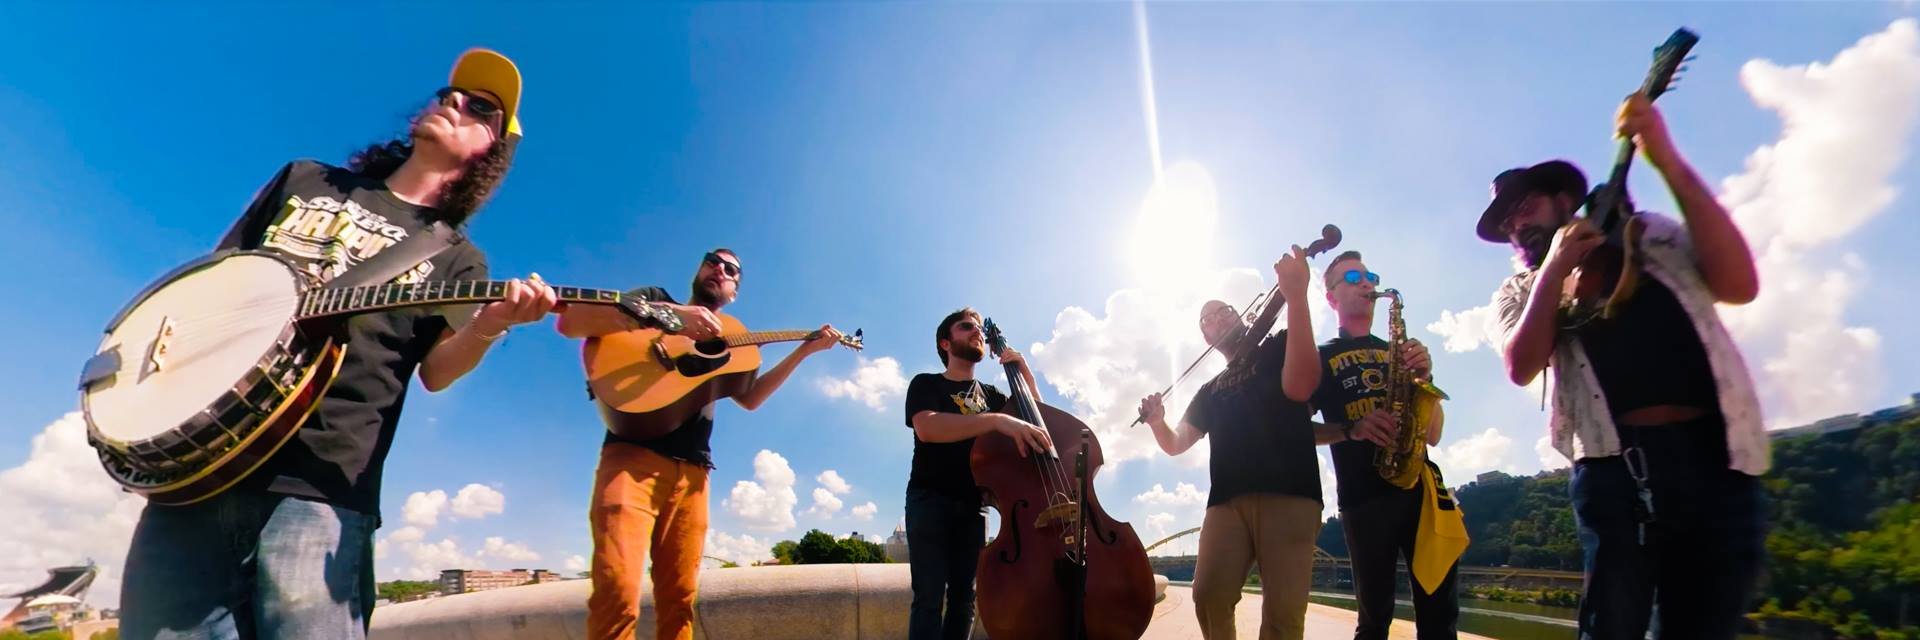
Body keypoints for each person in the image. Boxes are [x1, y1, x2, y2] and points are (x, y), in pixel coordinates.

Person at [121, 48, 556, 639]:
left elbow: (436, 371)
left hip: (323, 483)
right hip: (202, 465)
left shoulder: (456, 256)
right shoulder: (306, 178)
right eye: (449, 93)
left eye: (480, 107)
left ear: (492, 152)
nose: (453, 102)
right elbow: (211, 284)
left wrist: (491, 324)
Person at [1482, 93, 1768, 639]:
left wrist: (1665, 157)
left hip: (1719, 463)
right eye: (1508, 221)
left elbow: (1739, 284)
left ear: (1565, 198)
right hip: (1615, 473)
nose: (1517, 224)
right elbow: (1521, 365)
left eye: (1526, 206)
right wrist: (1558, 266)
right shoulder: (1518, 290)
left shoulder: (1650, 234)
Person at [556, 248, 844, 640]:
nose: (719, 270)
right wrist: (672, 318)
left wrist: (805, 349)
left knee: (679, 601)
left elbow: (751, 398)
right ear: (698, 268)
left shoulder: (735, 344)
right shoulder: (654, 298)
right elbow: (573, 322)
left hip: (693, 475)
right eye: (713, 261)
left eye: (731, 270)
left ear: (734, 292)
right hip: (630, 457)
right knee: (616, 591)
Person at [1137, 247, 1322, 640]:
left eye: (1224, 311)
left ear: (1242, 317)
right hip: (1225, 501)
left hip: (1290, 491)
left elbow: (1301, 385)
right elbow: (1176, 443)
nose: (1217, 318)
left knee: (1284, 615)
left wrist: (1297, 297)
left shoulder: (1280, 344)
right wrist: (1158, 422)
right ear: (1204, 335)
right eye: (1207, 318)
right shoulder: (1209, 390)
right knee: (1208, 596)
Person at [1308, 250, 1460, 639]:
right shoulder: (1320, 357)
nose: (1367, 283)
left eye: (1371, 276)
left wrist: (1425, 375)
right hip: (1365, 497)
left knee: (1441, 615)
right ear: (1331, 298)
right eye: (1355, 276)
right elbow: (1294, 430)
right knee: (1374, 619)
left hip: (1421, 491)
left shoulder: (1400, 351)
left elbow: (1434, 433)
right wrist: (1351, 429)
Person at [900, 307, 1053, 640]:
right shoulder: (926, 384)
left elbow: (1040, 425)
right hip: (929, 499)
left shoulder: (993, 396)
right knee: (927, 598)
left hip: (973, 506)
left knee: (964, 599)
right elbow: (927, 427)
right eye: (966, 327)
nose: (977, 332)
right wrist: (997, 420)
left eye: (980, 329)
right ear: (945, 343)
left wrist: (1025, 374)